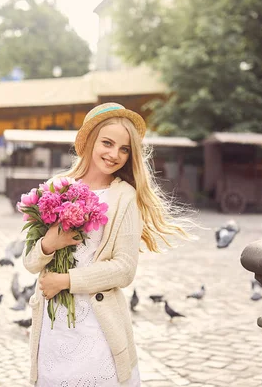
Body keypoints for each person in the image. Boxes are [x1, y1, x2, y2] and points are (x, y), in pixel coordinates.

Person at [23, 102, 189, 386]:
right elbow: (30, 262)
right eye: (108, 143)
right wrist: (50, 242)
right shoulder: (54, 187)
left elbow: (124, 269)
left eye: (124, 149)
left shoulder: (125, 197)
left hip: (98, 327)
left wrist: (65, 281)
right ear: (89, 141)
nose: (114, 154)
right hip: (54, 326)